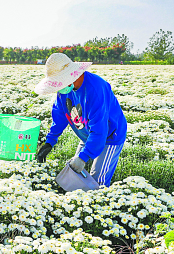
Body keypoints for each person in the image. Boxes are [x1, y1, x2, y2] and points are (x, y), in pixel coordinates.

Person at [34, 52, 127, 187]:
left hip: (110, 135)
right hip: (87, 134)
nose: (58, 88)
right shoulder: (64, 89)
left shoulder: (96, 89)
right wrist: (50, 142)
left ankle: (97, 203)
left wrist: (83, 157)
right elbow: (59, 115)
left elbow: (100, 130)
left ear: (69, 76)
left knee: (97, 181)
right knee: (72, 172)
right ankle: (76, 201)